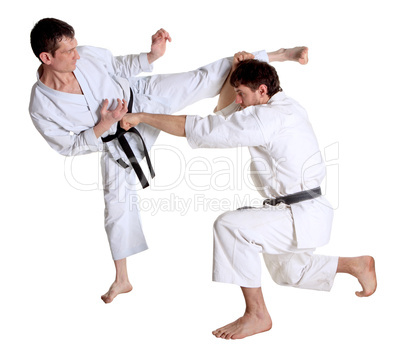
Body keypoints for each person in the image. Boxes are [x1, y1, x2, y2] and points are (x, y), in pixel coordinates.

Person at [29, 17, 310, 304]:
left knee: (206, 75)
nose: (78, 54)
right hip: (117, 138)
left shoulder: (85, 56)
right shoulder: (42, 106)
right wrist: (103, 125)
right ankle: (122, 278)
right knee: (116, 203)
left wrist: (151, 56)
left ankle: (282, 54)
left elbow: (116, 66)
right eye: (69, 51)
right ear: (46, 57)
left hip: (143, 94)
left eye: (76, 47)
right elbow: (69, 146)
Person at [121, 52, 377, 339]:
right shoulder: (282, 104)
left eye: (241, 93)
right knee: (290, 273)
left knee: (231, 226)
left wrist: (141, 117)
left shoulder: (266, 119)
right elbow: (222, 115)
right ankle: (356, 264)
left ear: (262, 91)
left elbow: (203, 129)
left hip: (298, 212)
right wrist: (236, 70)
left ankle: (257, 314)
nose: (237, 100)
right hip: (302, 210)